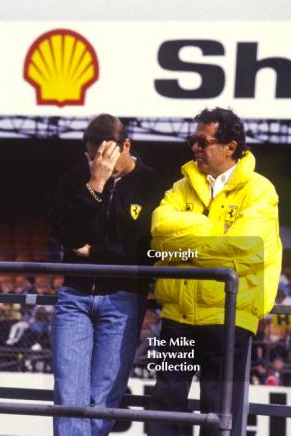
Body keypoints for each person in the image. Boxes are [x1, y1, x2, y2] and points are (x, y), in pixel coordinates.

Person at [147, 107, 282, 436]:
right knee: (163, 412)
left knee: (221, 417)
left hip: (230, 319)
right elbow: (159, 235)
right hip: (178, 317)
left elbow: (247, 251)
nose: (193, 147)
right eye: (191, 140)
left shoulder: (260, 190)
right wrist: (214, 230)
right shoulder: (181, 186)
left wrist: (185, 247)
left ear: (230, 146)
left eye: (201, 141)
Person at [52, 114, 163, 436]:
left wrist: (95, 252)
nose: (97, 162)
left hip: (124, 298)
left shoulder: (152, 184)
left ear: (126, 146)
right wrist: (95, 186)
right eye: (91, 156)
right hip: (74, 295)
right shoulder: (77, 178)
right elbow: (64, 231)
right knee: (68, 393)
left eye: (105, 156)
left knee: (105, 396)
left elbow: (142, 250)